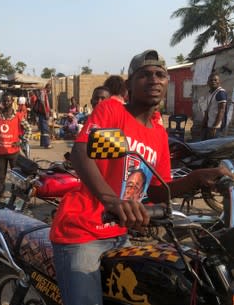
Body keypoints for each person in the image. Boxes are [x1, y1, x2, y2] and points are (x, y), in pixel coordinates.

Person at [49, 49, 231, 305]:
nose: (154, 80)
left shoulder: (157, 134)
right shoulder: (114, 113)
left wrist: (197, 178)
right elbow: (82, 154)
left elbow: (158, 190)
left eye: (160, 75)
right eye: (145, 75)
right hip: (84, 232)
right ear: (129, 85)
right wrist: (112, 202)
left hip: (121, 234)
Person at [0, 93, 31, 202]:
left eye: (8, 101)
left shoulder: (18, 116)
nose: (6, 103)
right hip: (0, 153)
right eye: (4, 101)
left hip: (14, 152)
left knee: (17, 176)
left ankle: (17, 196)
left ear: (12, 102)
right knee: (0, 176)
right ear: (2, 102)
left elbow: (28, 129)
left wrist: (21, 141)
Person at [201, 71, 227, 140]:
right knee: (206, 146)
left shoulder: (220, 93)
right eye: (211, 80)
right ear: (208, 82)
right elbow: (207, 110)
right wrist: (204, 123)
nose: (213, 81)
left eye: (215, 80)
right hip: (209, 125)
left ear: (219, 82)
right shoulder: (210, 93)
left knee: (214, 147)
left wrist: (215, 126)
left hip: (216, 127)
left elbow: (222, 110)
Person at [37, 82, 53, 149]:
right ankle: (46, 144)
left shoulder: (44, 93)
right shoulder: (43, 92)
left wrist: (49, 111)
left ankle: (42, 143)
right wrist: (46, 112)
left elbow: (46, 104)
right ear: (48, 87)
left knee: (43, 129)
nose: (50, 90)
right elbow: (43, 103)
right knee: (45, 128)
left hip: (43, 113)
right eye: (50, 88)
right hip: (43, 113)